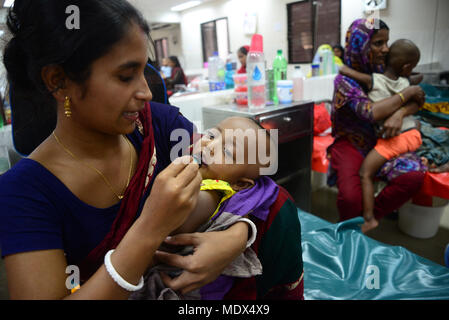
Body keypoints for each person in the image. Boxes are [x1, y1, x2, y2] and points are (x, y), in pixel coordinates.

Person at [0, 0, 253, 300]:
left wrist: (237, 236)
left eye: (144, 71)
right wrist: (149, 230)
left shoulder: (160, 127)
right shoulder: (23, 193)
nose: (147, 92)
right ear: (59, 81)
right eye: (125, 76)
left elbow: (247, 173)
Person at [132, 116, 304, 299]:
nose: (209, 146)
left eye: (227, 152)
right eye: (212, 135)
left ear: (240, 184)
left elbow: (184, 219)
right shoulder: (196, 165)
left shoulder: (216, 190)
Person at [327, 18, 427, 224]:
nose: (385, 49)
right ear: (359, 45)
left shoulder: (384, 71)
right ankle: (350, 231)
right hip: (352, 143)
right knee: (351, 199)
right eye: (378, 43)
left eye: (386, 42)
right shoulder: (345, 81)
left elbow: (419, 98)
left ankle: (368, 217)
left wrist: (399, 114)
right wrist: (405, 94)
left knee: (413, 177)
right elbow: (369, 112)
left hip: (383, 141)